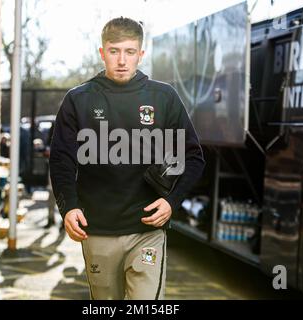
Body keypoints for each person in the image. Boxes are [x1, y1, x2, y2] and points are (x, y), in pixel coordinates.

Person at [49, 17, 205, 300]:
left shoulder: (164, 97)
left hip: (147, 229)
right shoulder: (78, 99)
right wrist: (68, 207)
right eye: (114, 51)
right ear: (102, 52)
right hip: (96, 230)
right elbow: (61, 160)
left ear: (141, 54)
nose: (122, 60)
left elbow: (193, 157)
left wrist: (172, 201)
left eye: (130, 52)